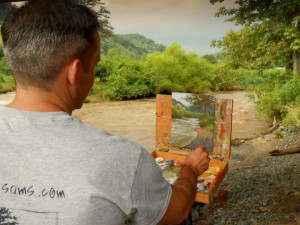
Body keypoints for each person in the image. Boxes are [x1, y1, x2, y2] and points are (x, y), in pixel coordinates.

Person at [0, 0, 210, 224]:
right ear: (76, 71)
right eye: (95, 65)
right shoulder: (122, 158)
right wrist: (189, 169)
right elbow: (176, 212)